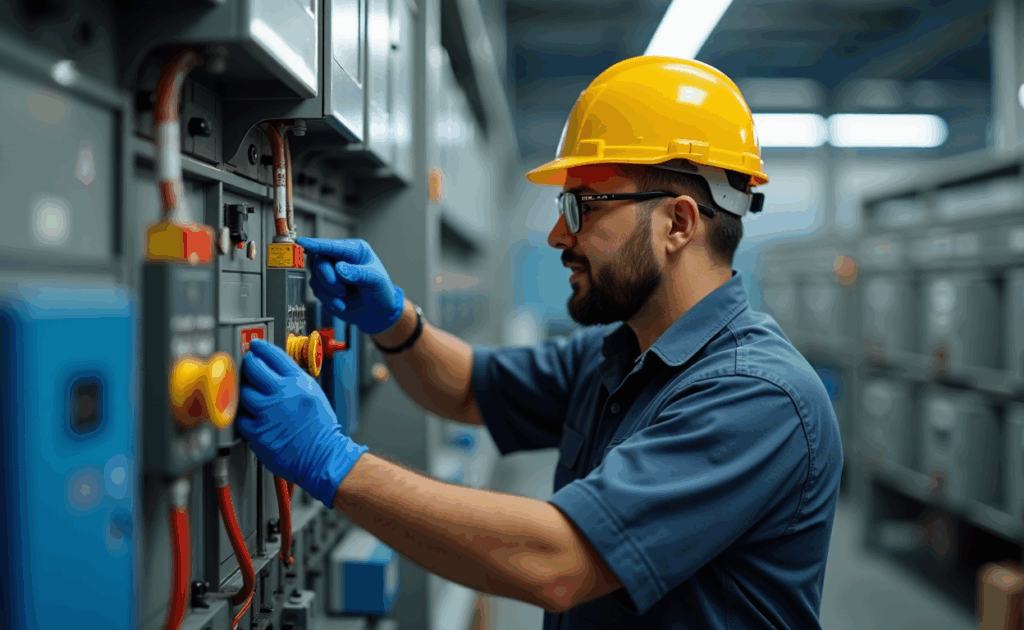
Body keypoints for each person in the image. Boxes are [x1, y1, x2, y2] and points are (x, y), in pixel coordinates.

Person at [237, 56, 843, 629]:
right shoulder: (621, 352)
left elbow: (559, 562)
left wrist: (332, 461)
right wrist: (393, 321)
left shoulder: (756, 396)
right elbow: (470, 389)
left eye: (580, 208)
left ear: (678, 224)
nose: (557, 235)